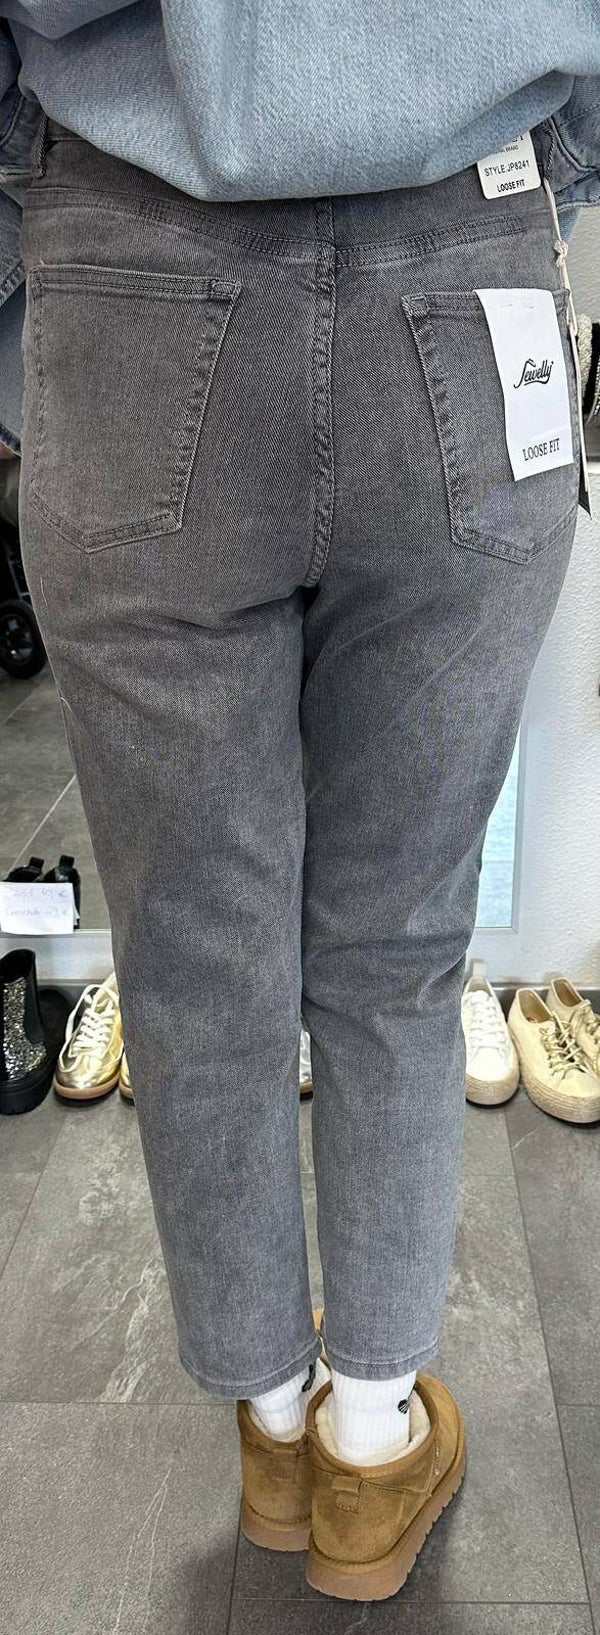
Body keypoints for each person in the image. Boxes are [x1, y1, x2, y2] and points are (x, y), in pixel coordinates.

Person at [0, 4, 599, 1602]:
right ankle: (372, 1439)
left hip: (126, 255)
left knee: (196, 952)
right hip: (464, 254)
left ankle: (274, 1430)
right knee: (400, 943)